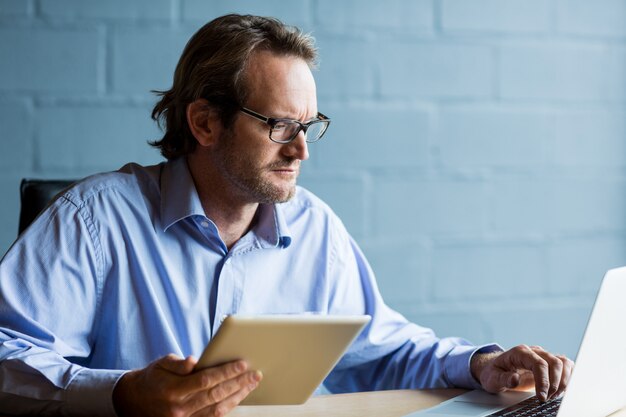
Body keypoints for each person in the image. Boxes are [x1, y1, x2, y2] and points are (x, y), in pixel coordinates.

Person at [0, 14, 572, 417]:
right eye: (279, 127)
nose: (301, 150)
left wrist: (481, 364)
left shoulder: (315, 227)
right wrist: (121, 395)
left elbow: (383, 350)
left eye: (308, 126)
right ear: (204, 123)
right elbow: (8, 357)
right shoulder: (93, 221)